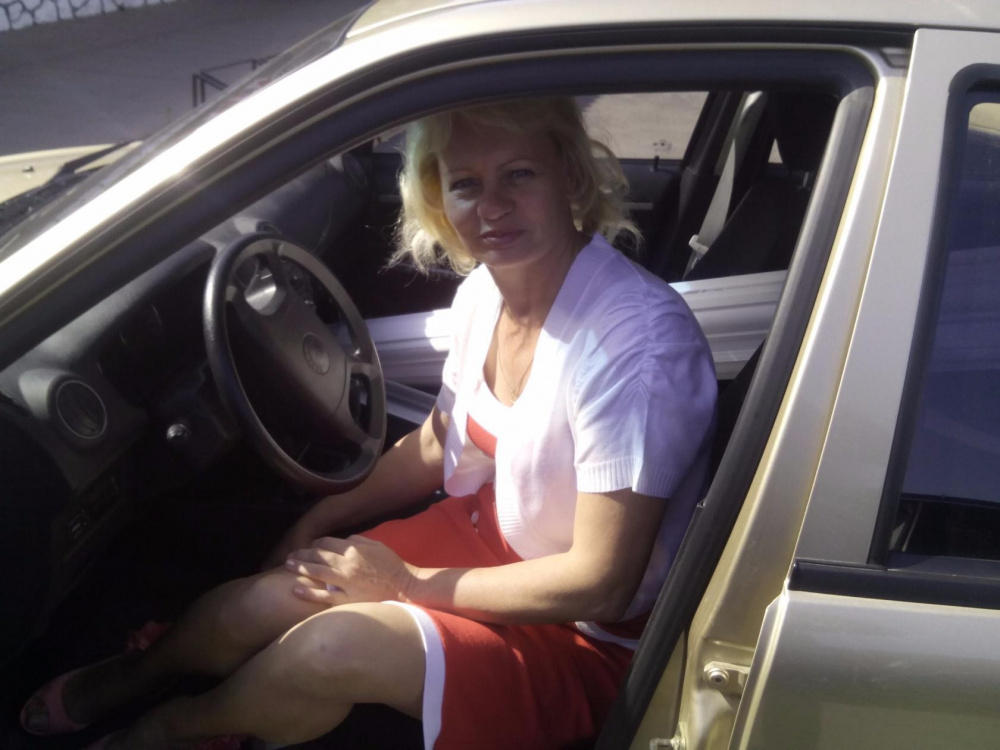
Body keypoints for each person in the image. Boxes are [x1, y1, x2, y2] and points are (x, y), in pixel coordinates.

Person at [19, 96, 717, 749]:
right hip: (492, 537)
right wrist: (319, 517)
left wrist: (404, 584)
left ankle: (179, 727)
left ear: (569, 175)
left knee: (328, 648)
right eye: (465, 183)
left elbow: (602, 582)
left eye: (519, 174)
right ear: (438, 198)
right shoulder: (486, 292)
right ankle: (136, 674)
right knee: (257, 606)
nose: (492, 206)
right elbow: (440, 439)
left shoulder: (636, 347)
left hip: (590, 635)